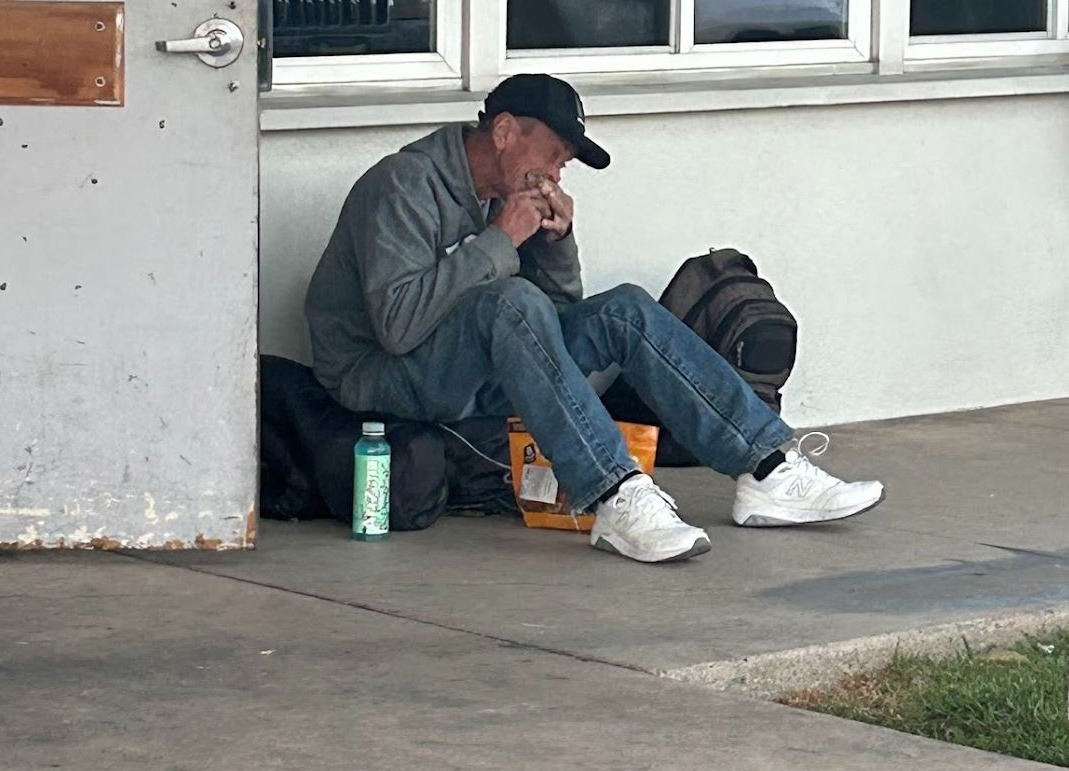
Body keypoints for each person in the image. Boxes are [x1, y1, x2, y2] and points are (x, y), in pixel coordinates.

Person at [306, 74, 884, 564]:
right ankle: (614, 493)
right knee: (511, 300)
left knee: (626, 309)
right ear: (504, 132)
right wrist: (499, 240)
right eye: (553, 154)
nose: (556, 174)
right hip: (379, 379)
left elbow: (553, 320)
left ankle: (767, 467)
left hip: (464, 371)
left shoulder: (500, 192)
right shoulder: (405, 184)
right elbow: (398, 328)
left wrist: (556, 241)